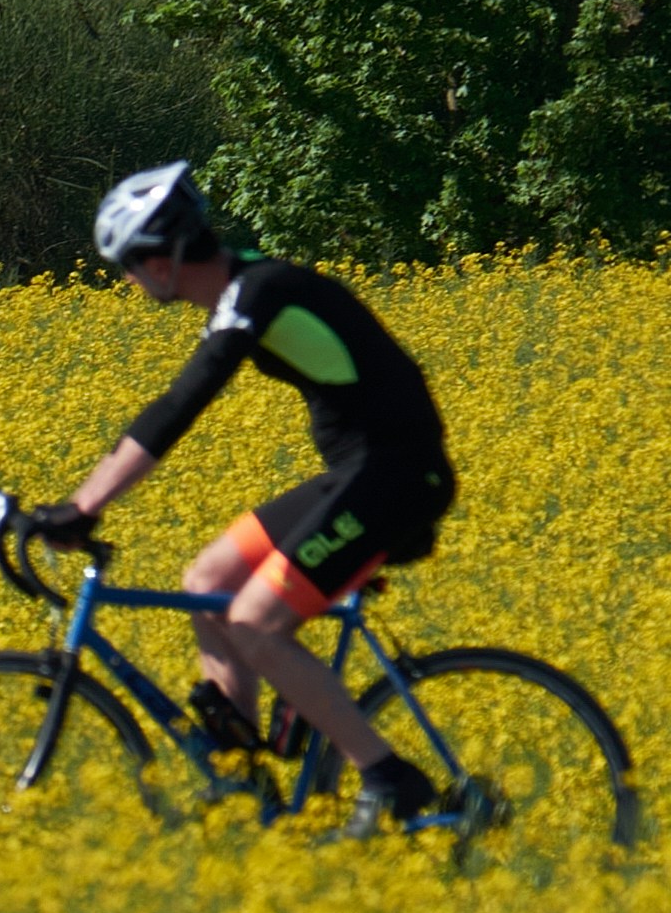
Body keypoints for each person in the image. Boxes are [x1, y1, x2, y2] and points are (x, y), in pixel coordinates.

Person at [28, 163, 461, 830]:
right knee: (209, 579)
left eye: (130, 264)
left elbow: (181, 404)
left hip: (396, 476)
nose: (128, 280)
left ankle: (387, 776)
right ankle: (243, 775)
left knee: (255, 622)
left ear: (166, 257)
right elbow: (168, 406)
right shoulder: (246, 291)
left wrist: (84, 506)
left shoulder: (259, 293)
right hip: (360, 471)